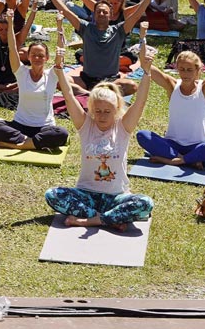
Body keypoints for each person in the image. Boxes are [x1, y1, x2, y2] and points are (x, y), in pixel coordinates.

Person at [45, 45, 155, 232]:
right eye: (98, 111)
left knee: (145, 203)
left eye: (107, 111)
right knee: (53, 194)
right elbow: (69, 95)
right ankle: (109, 219)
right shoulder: (85, 125)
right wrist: (59, 69)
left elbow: (140, 102)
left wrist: (146, 72)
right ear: (91, 109)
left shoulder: (123, 126)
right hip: (86, 195)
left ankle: (92, 220)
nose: (102, 116)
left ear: (117, 109)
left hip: (116, 197)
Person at [134, 42, 205, 171]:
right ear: (177, 69)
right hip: (173, 145)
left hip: (198, 146)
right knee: (143, 135)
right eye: (182, 69)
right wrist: (143, 38)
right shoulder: (172, 85)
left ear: (198, 70)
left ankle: (176, 160)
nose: (185, 74)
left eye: (190, 70)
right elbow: (146, 66)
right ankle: (189, 160)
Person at [0, 18, 69, 153]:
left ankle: (22, 144)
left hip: (44, 127)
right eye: (34, 55)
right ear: (28, 57)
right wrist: (11, 22)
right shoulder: (21, 72)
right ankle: (30, 141)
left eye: (41, 56)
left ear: (47, 58)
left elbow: (60, 53)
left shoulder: (52, 75)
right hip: (20, 126)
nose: (37, 58)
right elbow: (12, 48)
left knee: (62, 133)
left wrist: (60, 26)